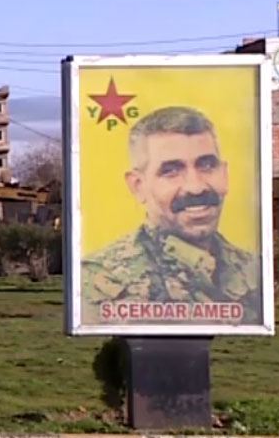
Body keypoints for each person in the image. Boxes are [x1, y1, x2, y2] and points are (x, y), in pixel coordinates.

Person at [82, 106, 262, 322]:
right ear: (138, 186)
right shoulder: (99, 279)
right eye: (171, 171)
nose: (195, 187)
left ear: (224, 174)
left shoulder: (254, 268)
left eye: (206, 165)